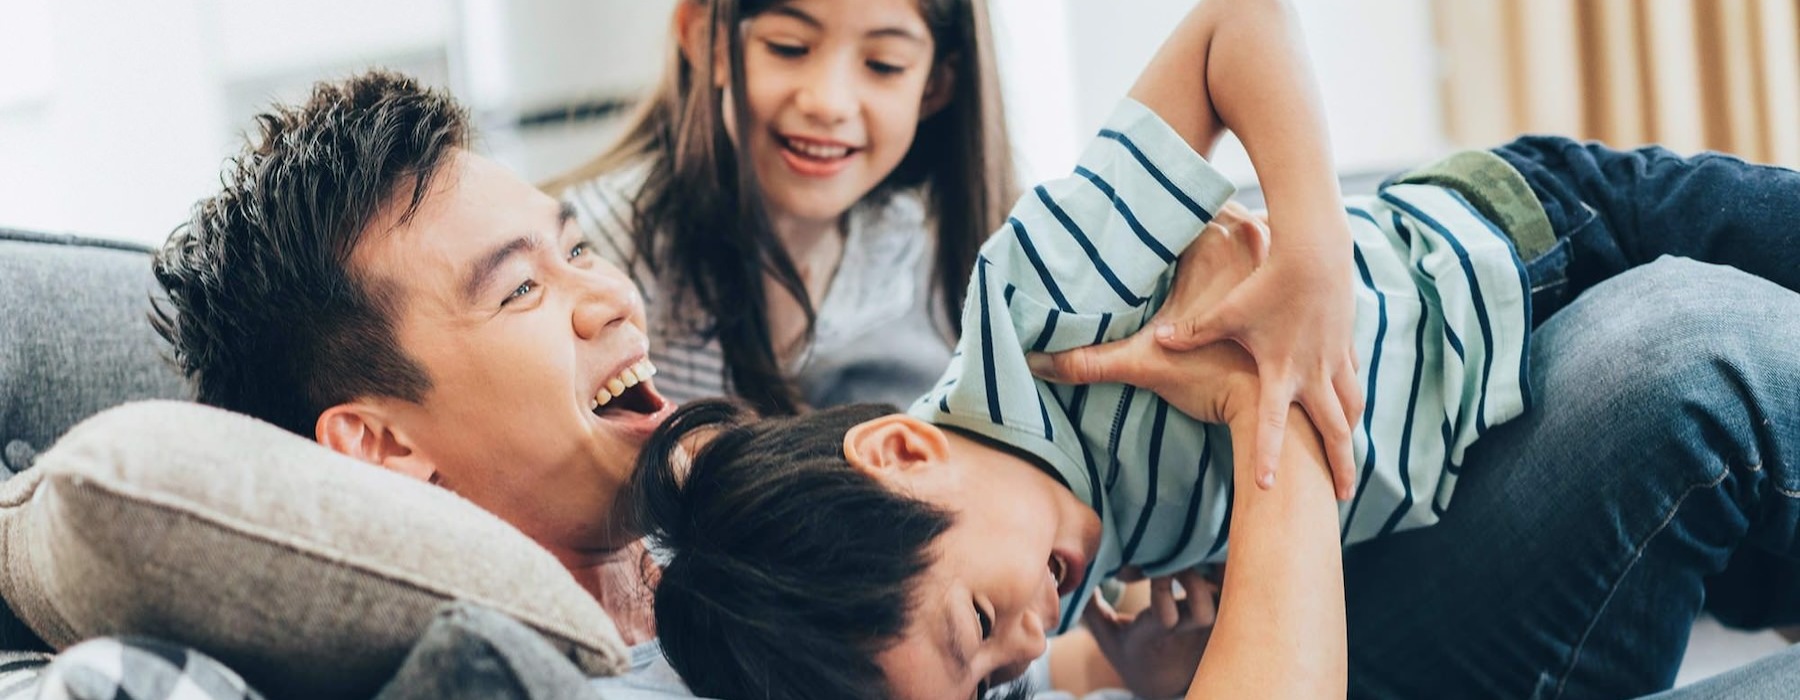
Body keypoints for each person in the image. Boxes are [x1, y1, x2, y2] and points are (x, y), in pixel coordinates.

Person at [149, 50, 1800, 700]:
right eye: (525, 289)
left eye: (576, 251)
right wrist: (1258, 415)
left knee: (1667, 284)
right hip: (1303, 573)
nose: (603, 307)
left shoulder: (707, 538)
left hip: (1281, 543)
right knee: (1694, 362)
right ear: (377, 445)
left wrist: (1106, 645)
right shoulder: (628, 665)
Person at [624, 1, 1800, 698]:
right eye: (995, 680)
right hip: (1476, 434)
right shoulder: (1059, 542)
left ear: (897, 449)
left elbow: (1233, 26)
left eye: (985, 626)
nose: (1033, 643)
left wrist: (1315, 255)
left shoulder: (1034, 308)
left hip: (1525, 246)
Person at [547, 0, 1015, 416]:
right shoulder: (599, 252)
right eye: (789, 47)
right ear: (706, 40)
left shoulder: (914, 244)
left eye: (884, 64)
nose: (828, 103)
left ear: (935, 86)